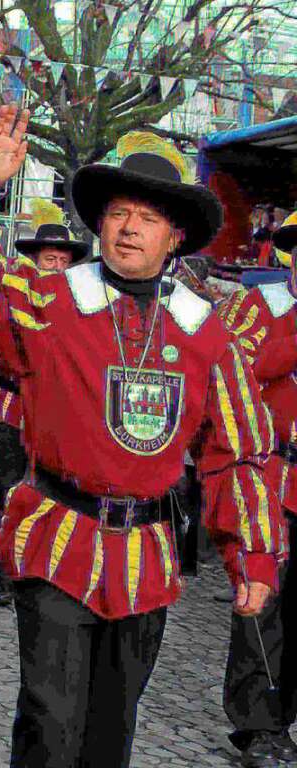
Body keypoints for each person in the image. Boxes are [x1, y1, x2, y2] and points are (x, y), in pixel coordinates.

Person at [0, 105, 283, 767]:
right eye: (121, 213)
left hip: (147, 557)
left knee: (109, 737)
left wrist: (253, 559)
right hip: (57, 539)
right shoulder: (50, 301)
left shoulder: (207, 332)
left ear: (174, 238)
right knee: (50, 723)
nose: (130, 229)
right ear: (101, 222)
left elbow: (240, 452)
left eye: (148, 219)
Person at [0, 203, 89, 607]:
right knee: (5, 486)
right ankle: (1, 571)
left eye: (63, 260)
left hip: (57, 410)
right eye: (49, 259)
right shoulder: (13, 291)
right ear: (35, 260)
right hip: (11, 403)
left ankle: (37, 564)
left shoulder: (78, 303)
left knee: (50, 489)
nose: (57, 266)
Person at [218, 210, 297, 766]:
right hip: (273, 479)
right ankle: (259, 725)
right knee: (263, 603)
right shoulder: (258, 306)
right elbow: (235, 371)